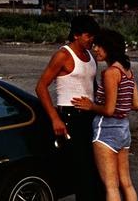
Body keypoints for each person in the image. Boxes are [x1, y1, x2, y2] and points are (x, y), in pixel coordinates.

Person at [35, 14, 103, 201]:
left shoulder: (91, 56)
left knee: (96, 170)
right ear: (76, 35)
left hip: (90, 117)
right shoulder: (63, 55)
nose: (91, 40)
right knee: (82, 171)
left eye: (93, 36)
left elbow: (93, 86)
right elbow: (41, 87)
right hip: (70, 117)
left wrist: (99, 107)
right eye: (88, 36)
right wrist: (55, 118)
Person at [72, 29, 138, 201]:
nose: (95, 49)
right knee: (126, 183)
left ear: (109, 48)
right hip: (123, 131)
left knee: (111, 186)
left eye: (99, 46)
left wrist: (91, 106)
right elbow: (136, 105)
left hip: (106, 132)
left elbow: (109, 110)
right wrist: (121, 105)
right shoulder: (127, 71)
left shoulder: (110, 73)